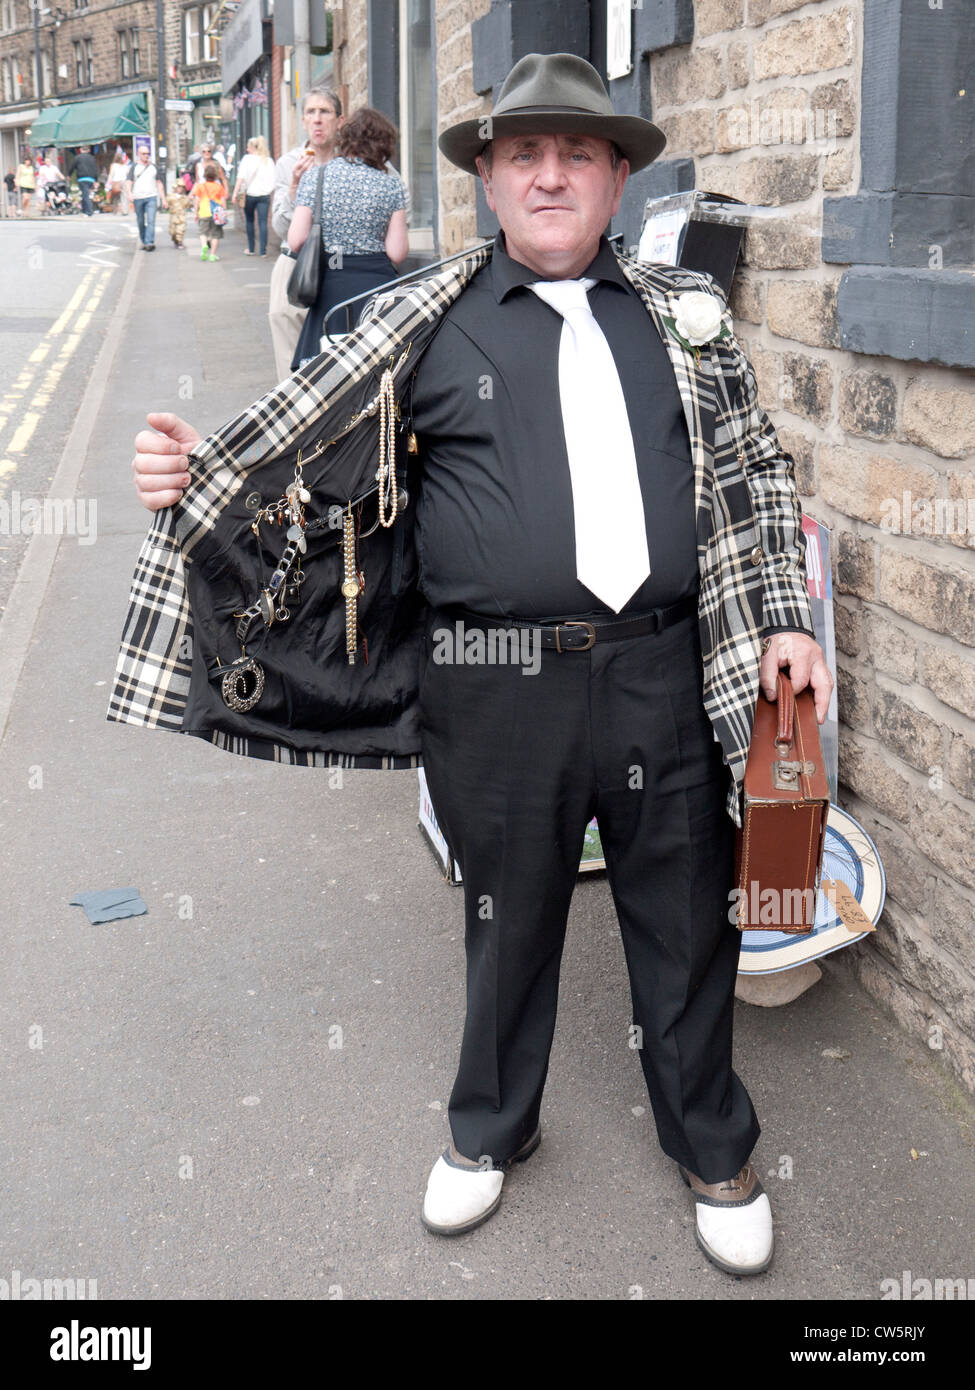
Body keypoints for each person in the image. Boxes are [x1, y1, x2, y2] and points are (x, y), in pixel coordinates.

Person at [117, 53, 833, 1278]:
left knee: (684, 916)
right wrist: (188, 477)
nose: (550, 175)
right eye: (522, 156)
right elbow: (297, 454)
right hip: (495, 680)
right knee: (507, 914)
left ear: (616, 179)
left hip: (664, 668)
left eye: (578, 154)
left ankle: (713, 1141)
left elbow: (758, 475)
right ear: (490, 182)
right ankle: (491, 1127)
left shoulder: (681, 320)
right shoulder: (418, 317)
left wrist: (784, 616)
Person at [288, 106, 408, 369]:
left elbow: (296, 239)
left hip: (331, 287)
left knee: (326, 371)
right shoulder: (391, 184)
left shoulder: (316, 178)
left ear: (346, 138)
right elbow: (397, 252)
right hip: (378, 288)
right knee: (378, 371)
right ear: (383, 144)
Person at [268, 85, 344, 382]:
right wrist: (294, 191)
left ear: (339, 120)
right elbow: (281, 229)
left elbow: (395, 191)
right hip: (295, 264)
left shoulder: (352, 161)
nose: (317, 119)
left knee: (334, 352)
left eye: (324, 112)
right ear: (302, 121)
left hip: (339, 266)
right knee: (289, 354)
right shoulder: (288, 164)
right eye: (310, 112)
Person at [232, 135, 275, 257]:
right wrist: (268, 191)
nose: (246, 149)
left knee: (249, 221)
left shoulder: (247, 159)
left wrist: (235, 193)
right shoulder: (268, 160)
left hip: (249, 195)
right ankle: (263, 251)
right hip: (264, 195)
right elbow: (273, 179)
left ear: (252, 147)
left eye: (248, 147)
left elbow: (240, 177)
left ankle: (251, 249)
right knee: (263, 222)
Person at [126, 148, 167, 250]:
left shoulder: (153, 167)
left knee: (151, 220)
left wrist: (163, 199)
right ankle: (144, 240)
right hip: (138, 197)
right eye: (144, 154)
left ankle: (149, 242)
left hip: (151, 197)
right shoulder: (134, 167)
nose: (146, 155)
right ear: (139, 154)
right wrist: (129, 193)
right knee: (140, 221)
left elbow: (159, 183)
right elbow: (129, 181)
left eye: (148, 153)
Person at [191, 161, 228, 262]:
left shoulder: (200, 186)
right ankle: (212, 255)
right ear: (216, 176)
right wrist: (224, 211)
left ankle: (204, 246)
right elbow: (223, 201)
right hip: (216, 214)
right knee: (215, 234)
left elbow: (197, 200)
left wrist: (195, 213)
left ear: (204, 175)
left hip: (203, 212)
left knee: (203, 233)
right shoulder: (219, 187)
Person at [68, 145, 98, 217]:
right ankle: (84, 210)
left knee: (85, 195)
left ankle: (89, 211)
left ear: (81, 150)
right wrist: (96, 180)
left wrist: (69, 175)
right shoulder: (92, 158)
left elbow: (72, 167)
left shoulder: (77, 158)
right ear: (88, 150)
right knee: (85, 194)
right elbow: (95, 169)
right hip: (91, 179)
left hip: (82, 178)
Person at [167, 171, 190, 250]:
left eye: (182, 187)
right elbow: (167, 202)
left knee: (180, 230)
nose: (180, 189)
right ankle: (175, 240)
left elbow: (188, 204)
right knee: (173, 231)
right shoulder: (171, 196)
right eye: (179, 187)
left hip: (182, 216)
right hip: (173, 216)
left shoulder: (185, 197)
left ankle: (180, 242)